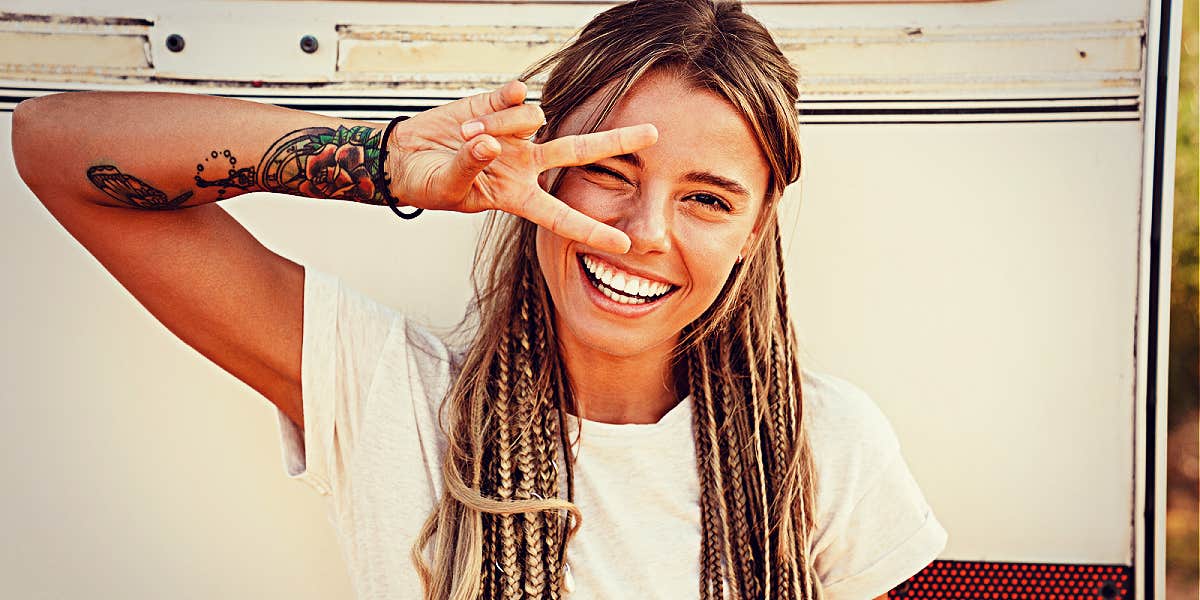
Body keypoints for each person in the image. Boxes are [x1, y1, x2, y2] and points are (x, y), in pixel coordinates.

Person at [12, 0, 947, 598]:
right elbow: (56, 146)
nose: (642, 231)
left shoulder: (823, 447)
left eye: (707, 199)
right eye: (608, 170)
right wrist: (388, 165)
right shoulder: (395, 403)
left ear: (755, 232)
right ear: (535, 168)